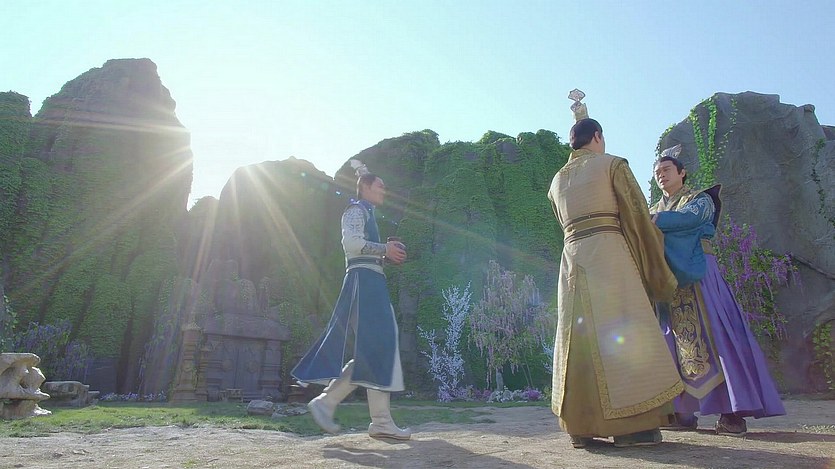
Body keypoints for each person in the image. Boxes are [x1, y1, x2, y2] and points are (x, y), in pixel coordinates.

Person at [547, 90, 683, 449]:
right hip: (609, 257)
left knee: (578, 338)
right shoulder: (612, 165)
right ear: (597, 137)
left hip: (571, 261)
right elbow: (637, 217)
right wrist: (655, 269)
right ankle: (632, 428)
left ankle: (580, 427)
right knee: (622, 331)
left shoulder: (556, 181)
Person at [651, 146, 786, 436]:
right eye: (657, 172)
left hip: (701, 276)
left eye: (667, 170)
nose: (661, 175)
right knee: (674, 343)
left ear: (682, 172)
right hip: (670, 282)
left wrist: (650, 221)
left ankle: (732, 413)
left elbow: (688, 220)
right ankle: (682, 411)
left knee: (718, 338)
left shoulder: (700, 200)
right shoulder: (655, 209)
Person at [291, 159, 411, 440]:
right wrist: (384, 249)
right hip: (363, 284)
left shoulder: (367, 212)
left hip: (372, 283)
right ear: (366, 188)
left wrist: (385, 254)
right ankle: (361, 414)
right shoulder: (355, 210)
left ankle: (346, 409)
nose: (384, 190)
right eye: (380, 186)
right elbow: (353, 244)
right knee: (379, 347)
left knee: (377, 349)